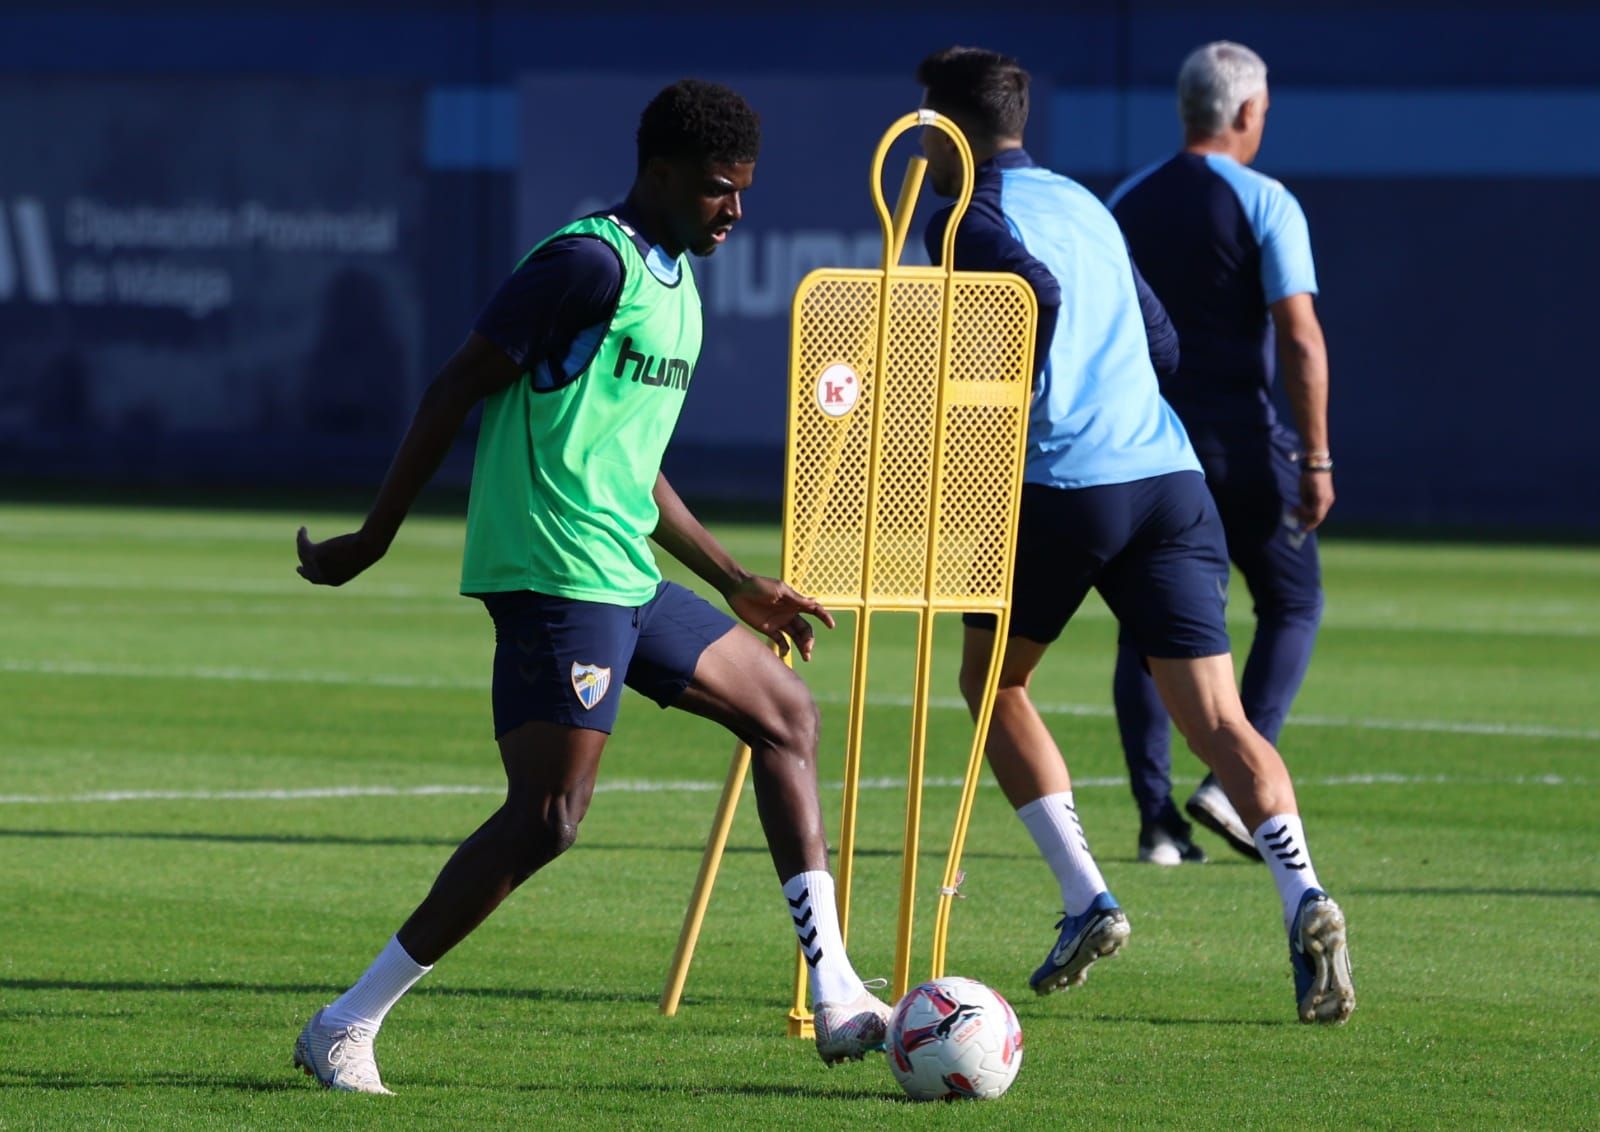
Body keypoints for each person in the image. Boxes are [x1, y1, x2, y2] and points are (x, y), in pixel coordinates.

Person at [289, 79, 891, 1094]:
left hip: (622, 566)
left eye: (742, 190)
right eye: (714, 190)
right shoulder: (582, 265)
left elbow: (629, 461)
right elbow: (454, 387)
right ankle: (345, 1023)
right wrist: (376, 538)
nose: (733, 211)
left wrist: (739, 580)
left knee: (785, 712)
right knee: (549, 817)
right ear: (657, 175)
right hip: (553, 571)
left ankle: (835, 993)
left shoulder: (679, 280)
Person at [915, 46, 1354, 1023]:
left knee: (993, 686)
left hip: (1060, 481)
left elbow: (1034, 294)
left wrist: (1020, 395)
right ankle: (1304, 893)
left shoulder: (961, 218)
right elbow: (1160, 344)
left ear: (946, 129)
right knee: (1221, 720)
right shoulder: (1081, 202)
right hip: (1167, 475)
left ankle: (1086, 897)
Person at [1106, 41, 1334, 867]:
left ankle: (1156, 821)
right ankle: (1234, 775)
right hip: (1240, 444)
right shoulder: (1265, 199)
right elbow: (1299, 337)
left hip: (1148, 448)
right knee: (1294, 601)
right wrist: (1316, 459)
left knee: (1147, 630)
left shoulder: (1125, 201)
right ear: (1244, 114)